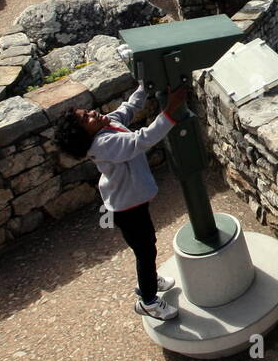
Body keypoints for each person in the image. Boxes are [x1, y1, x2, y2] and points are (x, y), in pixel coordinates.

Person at [53, 82, 189, 321]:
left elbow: (129, 107)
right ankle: (148, 301)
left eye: (88, 112)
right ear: (85, 135)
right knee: (145, 251)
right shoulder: (103, 145)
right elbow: (141, 140)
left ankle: (149, 279)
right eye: (87, 118)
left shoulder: (107, 124)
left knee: (146, 246)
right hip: (128, 209)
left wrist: (144, 86)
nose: (93, 113)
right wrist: (171, 111)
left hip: (131, 202)